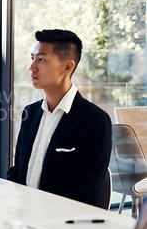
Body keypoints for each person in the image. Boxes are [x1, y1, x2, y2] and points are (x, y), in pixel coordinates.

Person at [6, 29, 112, 206]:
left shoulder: (94, 120)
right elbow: (17, 172)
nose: (32, 67)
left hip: (64, 223)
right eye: (32, 58)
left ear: (67, 66)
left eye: (41, 59)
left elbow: (86, 191)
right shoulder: (30, 113)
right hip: (24, 215)